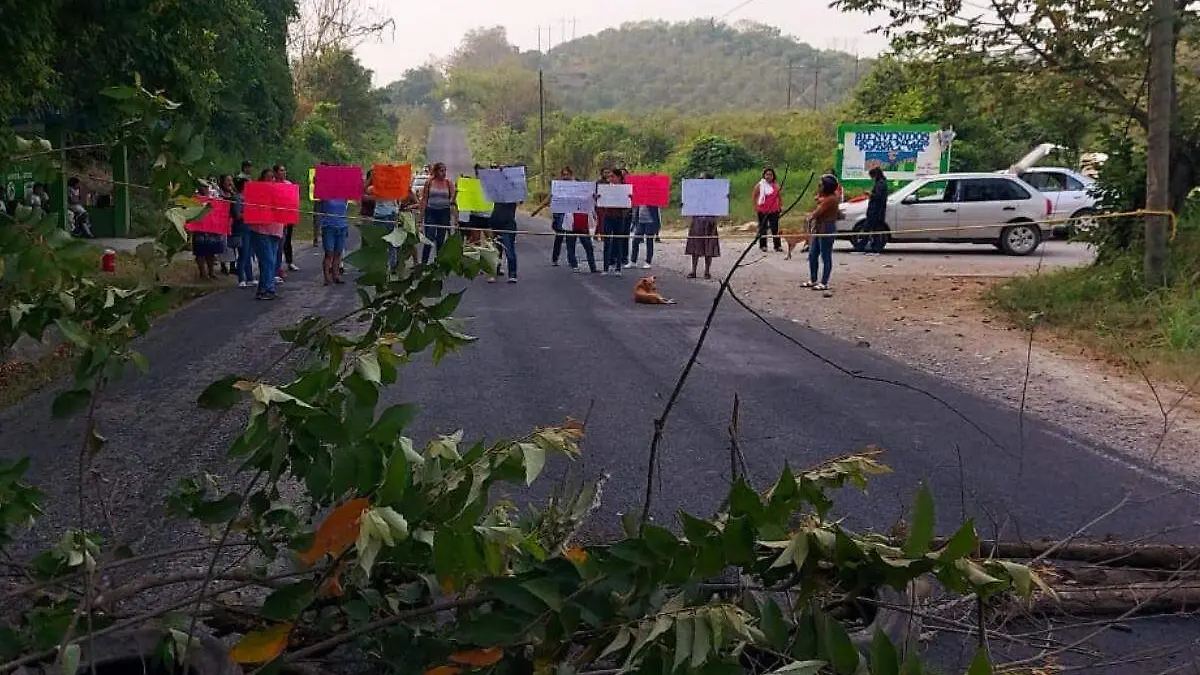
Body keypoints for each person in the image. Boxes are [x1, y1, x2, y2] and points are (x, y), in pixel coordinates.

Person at [251, 169, 284, 299]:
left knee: (271, 261)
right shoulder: (258, 192)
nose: (272, 180)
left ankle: (267, 288)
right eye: (269, 178)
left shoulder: (279, 191)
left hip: (275, 231)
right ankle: (265, 289)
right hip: (261, 230)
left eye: (273, 178)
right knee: (268, 261)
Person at [804, 176, 841, 292]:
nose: (819, 187)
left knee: (825, 256)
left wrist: (810, 216)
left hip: (827, 228)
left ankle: (824, 282)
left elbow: (817, 212)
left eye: (821, 185)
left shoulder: (830, 199)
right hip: (819, 228)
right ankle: (813, 279)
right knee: (813, 254)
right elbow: (819, 200)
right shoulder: (825, 197)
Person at [685, 173, 721, 280]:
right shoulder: (694, 193)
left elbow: (720, 207)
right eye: (699, 179)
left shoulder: (715, 194)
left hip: (710, 222)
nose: (700, 181)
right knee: (695, 246)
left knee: (709, 246)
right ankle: (693, 270)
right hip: (697, 221)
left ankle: (707, 271)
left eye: (703, 179)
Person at [596, 169, 631, 276]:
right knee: (607, 242)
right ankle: (606, 268)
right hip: (608, 217)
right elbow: (599, 200)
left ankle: (618, 268)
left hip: (620, 218)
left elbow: (629, 204)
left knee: (618, 242)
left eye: (612, 176)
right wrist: (597, 198)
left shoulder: (625, 188)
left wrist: (629, 199)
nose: (610, 178)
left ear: (619, 177)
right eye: (609, 177)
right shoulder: (606, 188)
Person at [419, 162, 456, 264]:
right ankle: (424, 263)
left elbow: (453, 201)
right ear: (436, 171)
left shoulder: (448, 183)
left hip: (444, 212)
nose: (443, 173)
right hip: (431, 211)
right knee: (429, 238)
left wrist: (455, 218)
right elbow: (424, 200)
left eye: (445, 170)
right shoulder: (429, 182)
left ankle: (439, 263)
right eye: (441, 170)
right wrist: (420, 219)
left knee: (440, 239)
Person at [488, 173, 520, 283]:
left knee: (509, 249)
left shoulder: (514, 193)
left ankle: (512, 274)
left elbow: (520, 197)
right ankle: (494, 272)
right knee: (496, 250)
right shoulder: (495, 192)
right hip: (495, 222)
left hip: (508, 224)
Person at [191, 181, 226, 281]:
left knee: (211, 251)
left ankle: (211, 272)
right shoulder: (195, 198)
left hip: (211, 228)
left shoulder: (213, 197)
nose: (205, 189)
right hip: (199, 229)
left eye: (206, 187)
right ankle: (203, 273)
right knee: (200, 252)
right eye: (203, 187)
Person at [274, 164, 299, 273]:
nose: (283, 172)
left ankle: (289, 261)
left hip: (287, 216)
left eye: (284, 170)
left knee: (287, 240)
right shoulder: (272, 184)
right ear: (276, 173)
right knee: (277, 242)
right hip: (276, 218)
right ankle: (276, 266)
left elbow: (293, 200)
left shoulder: (288, 184)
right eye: (281, 170)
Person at [319, 195, 349, 285]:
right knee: (329, 253)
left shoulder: (344, 195)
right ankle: (326, 278)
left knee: (338, 252)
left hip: (342, 226)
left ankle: (336, 276)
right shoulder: (325, 195)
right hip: (329, 226)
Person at [232, 177, 255, 288]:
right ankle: (241, 277)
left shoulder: (250, 198)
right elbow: (237, 215)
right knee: (243, 253)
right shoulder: (237, 198)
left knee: (249, 253)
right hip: (241, 228)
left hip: (250, 227)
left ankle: (250, 277)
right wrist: (249, 214)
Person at [753, 167, 783, 252]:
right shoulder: (760, 185)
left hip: (774, 210)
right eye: (767, 174)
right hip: (762, 210)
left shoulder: (775, 186)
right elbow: (754, 196)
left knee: (775, 228)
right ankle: (763, 246)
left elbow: (779, 197)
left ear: (773, 176)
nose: (768, 176)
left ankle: (777, 246)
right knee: (763, 228)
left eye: (770, 174)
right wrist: (756, 207)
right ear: (764, 175)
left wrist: (780, 206)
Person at [216, 175, 239, 275]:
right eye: (227, 180)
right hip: (222, 220)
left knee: (233, 244)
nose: (230, 182)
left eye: (231, 180)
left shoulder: (233, 193)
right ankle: (223, 265)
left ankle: (233, 265)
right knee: (223, 243)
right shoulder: (219, 193)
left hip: (232, 221)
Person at [864, 166, 889, 255]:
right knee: (872, 229)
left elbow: (878, 197)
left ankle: (876, 248)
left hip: (876, 211)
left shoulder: (881, 184)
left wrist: (870, 194)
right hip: (875, 211)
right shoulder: (880, 183)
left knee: (876, 229)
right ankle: (869, 247)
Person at [629, 203, 661, 269]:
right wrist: (634, 223)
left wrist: (657, 226)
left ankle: (648, 262)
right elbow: (637, 210)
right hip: (641, 221)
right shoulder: (640, 198)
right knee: (635, 241)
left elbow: (656, 212)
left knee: (649, 241)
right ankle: (633, 261)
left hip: (650, 221)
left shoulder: (652, 198)